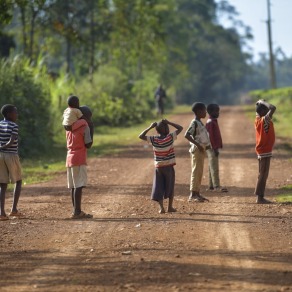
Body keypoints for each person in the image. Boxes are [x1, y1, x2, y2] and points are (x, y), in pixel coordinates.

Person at [139, 119, 183, 213]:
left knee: (159, 186)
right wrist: (170, 122)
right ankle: (170, 207)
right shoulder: (170, 137)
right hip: (169, 166)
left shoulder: (154, 139)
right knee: (170, 186)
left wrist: (150, 127)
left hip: (159, 167)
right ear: (167, 128)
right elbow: (180, 128)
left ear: (157, 130)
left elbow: (141, 136)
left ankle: (161, 208)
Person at [66, 105, 94, 219]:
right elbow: (88, 144)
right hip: (79, 157)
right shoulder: (85, 126)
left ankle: (76, 210)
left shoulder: (69, 127)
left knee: (73, 186)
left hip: (69, 157)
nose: (90, 120)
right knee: (79, 185)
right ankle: (77, 211)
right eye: (89, 118)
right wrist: (92, 129)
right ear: (84, 117)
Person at [0, 104, 22, 221]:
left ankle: (2, 213)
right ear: (9, 114)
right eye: (15, 112)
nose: (17, 114)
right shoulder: (14, 125)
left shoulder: (0, 124)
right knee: (18, 181)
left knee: (3, 184)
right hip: (11, 155)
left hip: (0, 156)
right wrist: (4, 146)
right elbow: (12, 140)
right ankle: (13, 210)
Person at [185, 102, 210, 202]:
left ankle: (197, 193)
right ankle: (192, 194)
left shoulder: (199, 122)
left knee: (199, 172)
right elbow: (187, 135)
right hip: (197, 150)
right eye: (204, 110)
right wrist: (198, 145)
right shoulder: (194, 122)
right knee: (196, 171)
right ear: (199, 111)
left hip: (201, 150)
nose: (206, 112)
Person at [254, 99, 276, 204]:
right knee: (263, 174)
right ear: (263, 111)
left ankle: (260, 196)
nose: (268, 111)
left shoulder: (258, 119)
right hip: (265, 151)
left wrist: (260, 103)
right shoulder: (265, 120)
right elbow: (273, 108)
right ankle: (260, 197)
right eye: (266, 110)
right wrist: (263, 103)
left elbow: (257, 110)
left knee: (262, 173)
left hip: (262, 150)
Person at [205, 104, 228, 192]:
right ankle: (216, 186)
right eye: (217, 111)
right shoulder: (211, 122)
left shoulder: (213, 121)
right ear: (210, 112)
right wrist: (215, 148)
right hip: (212, 148)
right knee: (214, 167)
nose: (218, 113)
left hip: (212, 147)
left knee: (212, 165)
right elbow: (210, 137)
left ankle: (211, 185)